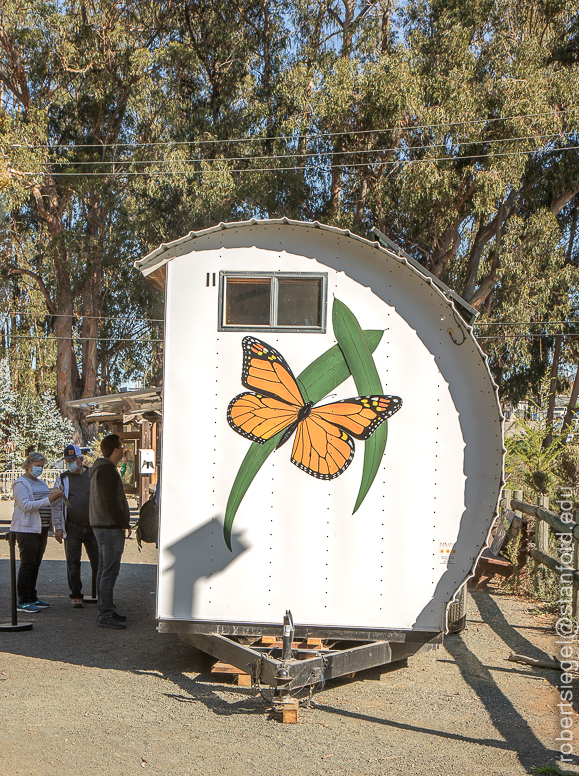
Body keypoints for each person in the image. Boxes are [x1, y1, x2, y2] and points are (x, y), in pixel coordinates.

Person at [11, 452, 65, 613]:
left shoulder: (41, 483)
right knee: (27, 563)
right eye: (37, 466)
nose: (40, 469)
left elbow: (51, 504)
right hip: (26, 528)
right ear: (28, 465)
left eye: (42, 466)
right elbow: (26, 505)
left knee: (36, 563)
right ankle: (23, 599)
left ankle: (32, 595)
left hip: (42, 527)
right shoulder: (20, 483)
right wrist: (49, 499)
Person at [89, 433, 131, 629]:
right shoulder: (107, 471)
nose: (124, 451)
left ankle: (105, 608)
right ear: (115, 450)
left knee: (103, 570)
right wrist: (123, 521)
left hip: (101, 525)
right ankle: (105, 613)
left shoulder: (100, 469)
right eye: (121, 447)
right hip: (109, 527)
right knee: (109, 572)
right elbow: (110, 501)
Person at [52, 443, 99, 608]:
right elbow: (57, 505)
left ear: (81, 459)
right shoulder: (63, 478)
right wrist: (58, 527)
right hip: (72, 526)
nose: (70, 462)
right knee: (73, 562)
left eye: (73, 459)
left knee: (98, 562)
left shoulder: (92, 474)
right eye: (67, 460)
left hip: (93, 526)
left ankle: (103, 595)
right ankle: (76, 595)